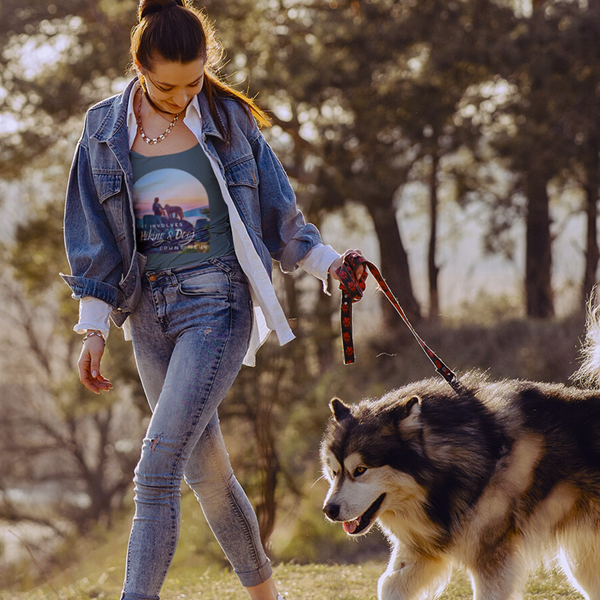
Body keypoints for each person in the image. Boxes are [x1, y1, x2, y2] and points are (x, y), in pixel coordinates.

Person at [61, 1, 363, 599]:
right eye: (166, 85)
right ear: (138, 65)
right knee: (211, 477)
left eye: (194, 81)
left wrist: (332, 265)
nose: (181, 97)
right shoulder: (101, 131)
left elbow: (281, 216)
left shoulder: (229, 118)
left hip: (216, 304)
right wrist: (94, 328)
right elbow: (91, 237)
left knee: (156, 470)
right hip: (148, 316)